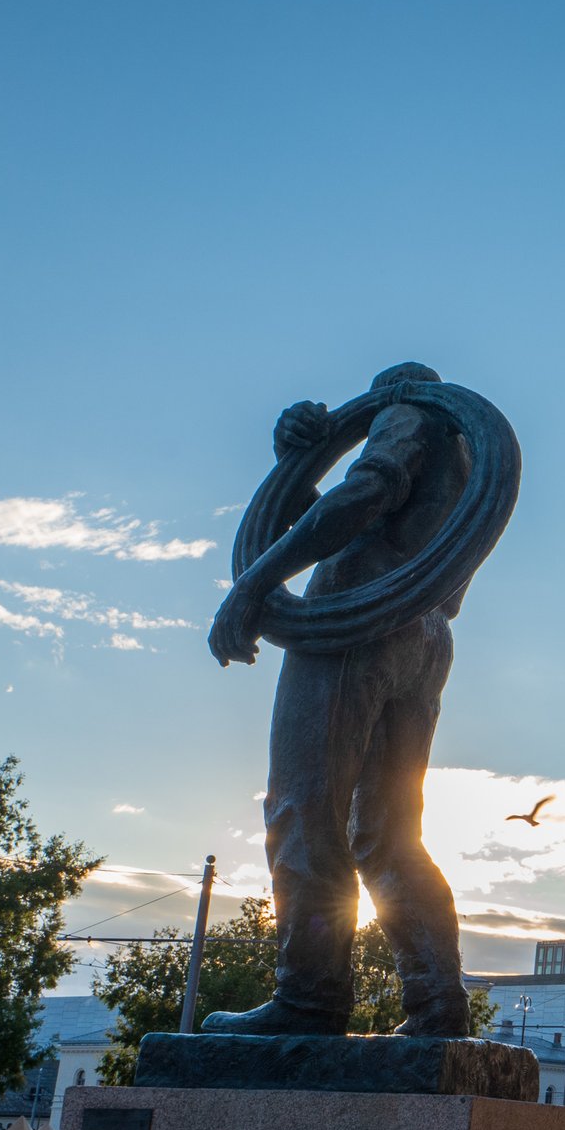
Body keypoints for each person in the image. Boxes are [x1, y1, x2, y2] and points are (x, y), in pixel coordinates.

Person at [203, 364, 486, 1037]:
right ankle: (437, 1002)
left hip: (355, 614)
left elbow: (365, 496)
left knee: (304, 805)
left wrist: (253, 585)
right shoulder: (471, 454)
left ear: (389, 394)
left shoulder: (410, 410)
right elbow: (368, 518)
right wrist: (295, 465)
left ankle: (309, 997)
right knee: (387, 834)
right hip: (424, 632)